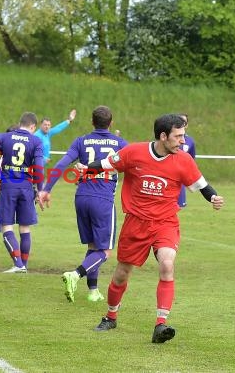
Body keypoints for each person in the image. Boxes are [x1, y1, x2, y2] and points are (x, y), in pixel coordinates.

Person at [77, 113, 224, 343]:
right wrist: (85, 169)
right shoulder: (133, 152)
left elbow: (203, 186)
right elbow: (105, 165)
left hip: (165, 222)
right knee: (121, 274)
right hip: (136, 223)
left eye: (183, 136)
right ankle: (111, 316)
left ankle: (160, 324)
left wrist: (214, 198)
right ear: (163, 136)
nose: (183, 141)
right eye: (178, 136)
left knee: (167, 263)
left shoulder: (183, 160)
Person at [39, 106, 128, 302]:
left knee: (94, 245)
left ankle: (93, 291)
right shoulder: (119, 143)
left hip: (82, 197)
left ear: (92, 122)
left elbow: (62, 163)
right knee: (105, 251)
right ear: (111, 123)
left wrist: (46, 189)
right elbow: (136, 165)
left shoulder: (81, 141)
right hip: (103, 199)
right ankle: (76, 274)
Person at [0, 112, 44, 273]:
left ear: (20, 124)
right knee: (25, 228)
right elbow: (39, 168)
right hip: (26, 187)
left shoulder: (4, 138)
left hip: (8, 185)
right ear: (33, 126)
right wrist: (40, 190)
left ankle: (18, 264)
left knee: (7, 226)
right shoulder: (36, 141)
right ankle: (23, 265)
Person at [177, 113, 196, 208]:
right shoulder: (167, 138)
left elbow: (191, 159)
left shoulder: (190, 141)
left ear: (187, 125)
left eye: (184, 122)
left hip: (180, 177)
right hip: (166, 174)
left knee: (179, 207)